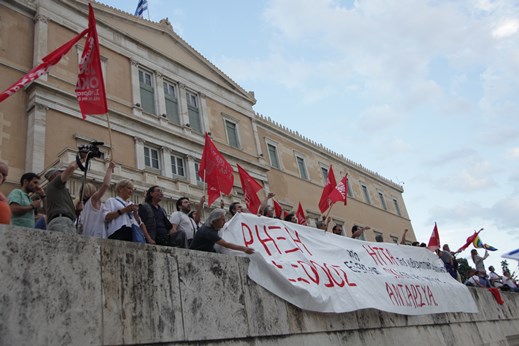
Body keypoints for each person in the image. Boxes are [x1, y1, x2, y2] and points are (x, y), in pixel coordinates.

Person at [189, 208, 255, 254]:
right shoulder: (208, 231)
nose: (225, 221)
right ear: (215, 221)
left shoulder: (213, 228)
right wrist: (244, 249)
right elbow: (226, 244)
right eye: (222, 220)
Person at [78, 161, 115, 238]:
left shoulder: (83, 208)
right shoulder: (93, 201)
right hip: (97, 238)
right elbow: (106, 184)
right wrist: (110, 168)